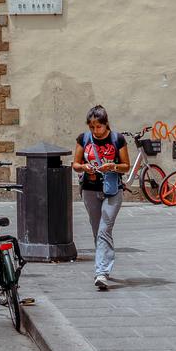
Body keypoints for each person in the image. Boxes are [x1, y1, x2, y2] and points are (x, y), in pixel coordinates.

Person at [70, 104, 129, 291]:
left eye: (98, 126)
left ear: (106, 124)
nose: (95, 130)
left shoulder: (117, 139)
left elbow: (126, 166)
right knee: (98, 231)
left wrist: (113, 166)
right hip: (89, 189)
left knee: (104, 229)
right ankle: (104, 264)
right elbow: (76, 164)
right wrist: (84, 167)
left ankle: (101, 272)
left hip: (113, 190)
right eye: (92, 127)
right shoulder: (84, 139)